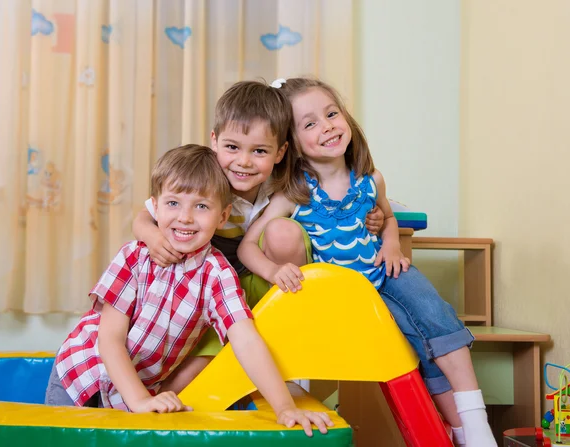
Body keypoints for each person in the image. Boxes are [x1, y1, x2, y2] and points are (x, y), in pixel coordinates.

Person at [236, 78, 497, 447]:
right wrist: (273, 270)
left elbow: (389, 218)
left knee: (431, 313)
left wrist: (392, 245)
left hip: (384, 275)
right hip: (345, 297)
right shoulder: (295, 192)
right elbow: (248, 245)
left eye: (331, 113)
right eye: (310, 123)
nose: (326, 125)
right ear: (291, 144)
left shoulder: (371, 179)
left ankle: (473, 420)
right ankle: (460, 426)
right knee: (413, 338)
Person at [45, 145, 332, 437]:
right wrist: (140, 400)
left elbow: (246, 341)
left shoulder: (217, 275)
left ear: (223, 217)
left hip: (136, 389)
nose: (185, 217)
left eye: (202, 206)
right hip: (82, 373)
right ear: (154, 207)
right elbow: (110, 340)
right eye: (173, 204)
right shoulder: (134, 257)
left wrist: (284, 407)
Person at [132, 80, 383, 391]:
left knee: (283, 232)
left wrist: (375, 215)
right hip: (213, 283)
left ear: (280, 152)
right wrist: (152, 236)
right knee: (188, 379)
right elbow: (145, 215)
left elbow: (344, 191)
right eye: (232, 147)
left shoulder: (284, 180)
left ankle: (289, 336)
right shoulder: (206, 178)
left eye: (260, 151)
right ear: (215, 141)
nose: (244, 161)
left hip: (267, 276)